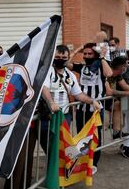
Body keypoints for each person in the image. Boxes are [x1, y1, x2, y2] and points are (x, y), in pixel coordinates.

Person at [67, 42, 112, 171]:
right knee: (82, 135)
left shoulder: (100, 67)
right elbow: (66, 64)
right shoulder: (81, 67)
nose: (86, 56)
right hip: (82, 108)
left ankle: (94, 163)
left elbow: (109, 74)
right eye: (85, 54)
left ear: (95, 55)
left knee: (95, 136)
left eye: (89, 53)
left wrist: (102, 57)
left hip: (96, 110)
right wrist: (77, 50)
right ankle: (82, 159)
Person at [42, 45, 101, 124]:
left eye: (64, 57)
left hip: (64, 115)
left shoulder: (70, 75)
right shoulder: (47, 72)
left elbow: (78, 94)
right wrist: (51, 103)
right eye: (57, 57)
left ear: (68, 58)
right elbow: (44, 88)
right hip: (48, 115)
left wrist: (92, 101)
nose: (60, 59)